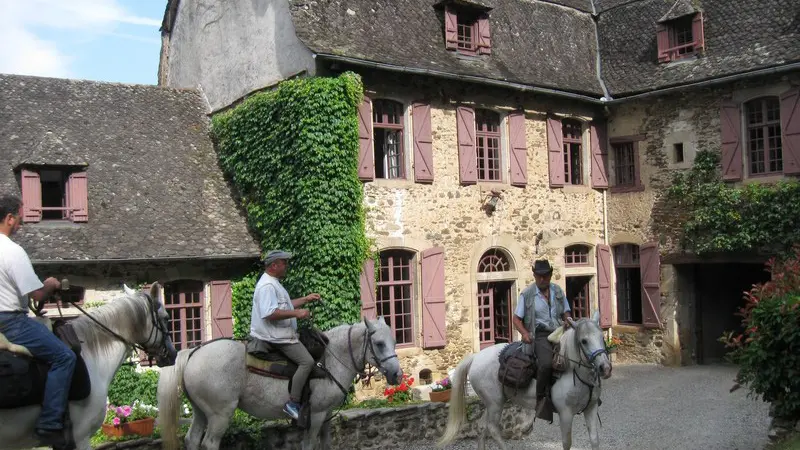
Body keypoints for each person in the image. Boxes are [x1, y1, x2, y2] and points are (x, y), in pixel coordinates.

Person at [0, 195, 76, 447]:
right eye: (19, 219)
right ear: (9, 218)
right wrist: (51, 284)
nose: (20, 225)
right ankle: (50, 423)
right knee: (64, 357)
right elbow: (37, 294)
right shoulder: (12, 251)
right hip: (11, 322)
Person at [249, 250, 321, 420]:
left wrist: (305, 299)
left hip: (278, 334)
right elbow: (269, 312)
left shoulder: (272, 282)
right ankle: (293, 403)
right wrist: (297, 314)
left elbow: (284, 304)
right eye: (284, 263)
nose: (286, 266)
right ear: (274, 265)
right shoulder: (267, 286)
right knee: (307, 362)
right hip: (275, 337)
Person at [511, 259, 572, 420]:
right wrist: (524, 334)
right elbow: (516, 318)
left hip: (560, 330)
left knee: (578, 353)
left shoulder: (558, 291)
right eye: (539, 276)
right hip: (541, 334)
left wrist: (568, 320)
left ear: (550, 275)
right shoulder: (528, 294)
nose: (542, 279)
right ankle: (540, 399)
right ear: (534, 275)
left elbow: (566, 312)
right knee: (545, 363)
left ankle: (586, 392)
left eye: (545, 276)